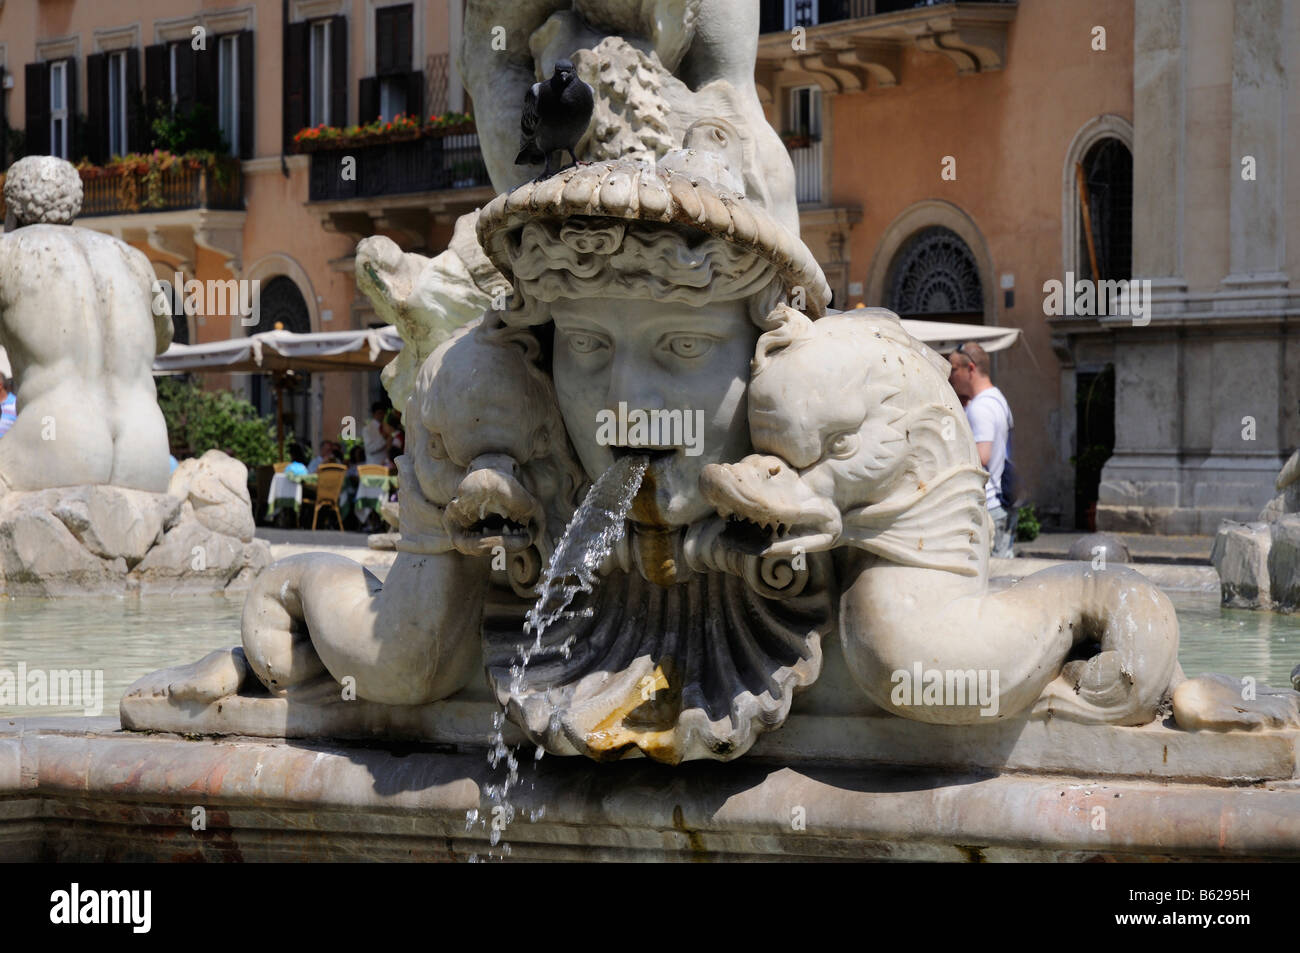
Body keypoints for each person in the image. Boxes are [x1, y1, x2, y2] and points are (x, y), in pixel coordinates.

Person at [948, 341, 1016, 558]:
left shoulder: (981, 408)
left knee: (990, 583)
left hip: (987, 507)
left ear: (970, 369)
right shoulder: (998, 399)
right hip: (999, 503)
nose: (949, 377)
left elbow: (982, 456)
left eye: (953, 369)